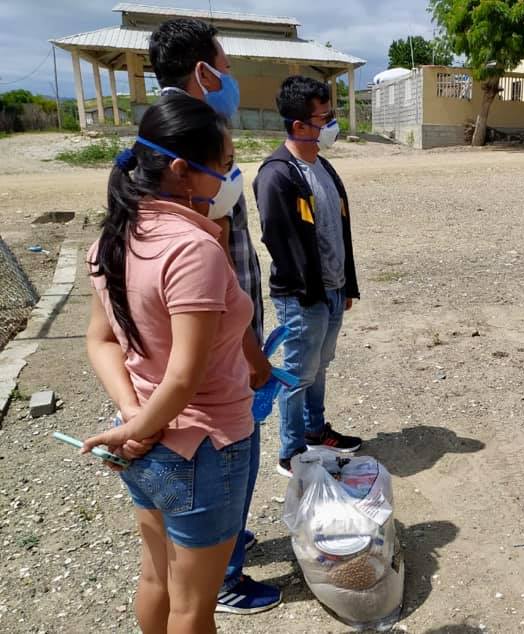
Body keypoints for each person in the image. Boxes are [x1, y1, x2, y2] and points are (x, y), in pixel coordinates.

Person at [81, 96, 254, 633]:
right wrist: (137, 427)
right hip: (204, 447)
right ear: (181, 169)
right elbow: (184, 377)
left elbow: (101, 340)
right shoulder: (191, 249)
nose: (228, 178)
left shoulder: (114, 235)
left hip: (146, 442)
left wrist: (132, 418)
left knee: (156, 578)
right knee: (193, 607)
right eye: (223, 165)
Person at [147, 18, 281, 613]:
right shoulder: (190, 152)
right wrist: (250, 352)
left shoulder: (162, 137)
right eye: (225, 69)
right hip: (216, 345)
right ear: (202, 72)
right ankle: (222, 570)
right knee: (224, 452)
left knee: (158, 564)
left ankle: (220, 543)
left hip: (205, 340)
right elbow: (212, 267)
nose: (230, 80)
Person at [253, 75, 362, 477]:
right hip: (302, 297)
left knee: (319, 367)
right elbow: (279, 242)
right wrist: (309, 292)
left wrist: (345, 285)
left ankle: (316, 431)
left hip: (332, 291)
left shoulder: (323, 167)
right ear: (299, 125)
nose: (332, 123)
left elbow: (340, 231)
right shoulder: (277, 175)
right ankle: (291, 451)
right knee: (298, 375)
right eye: (324, 117)